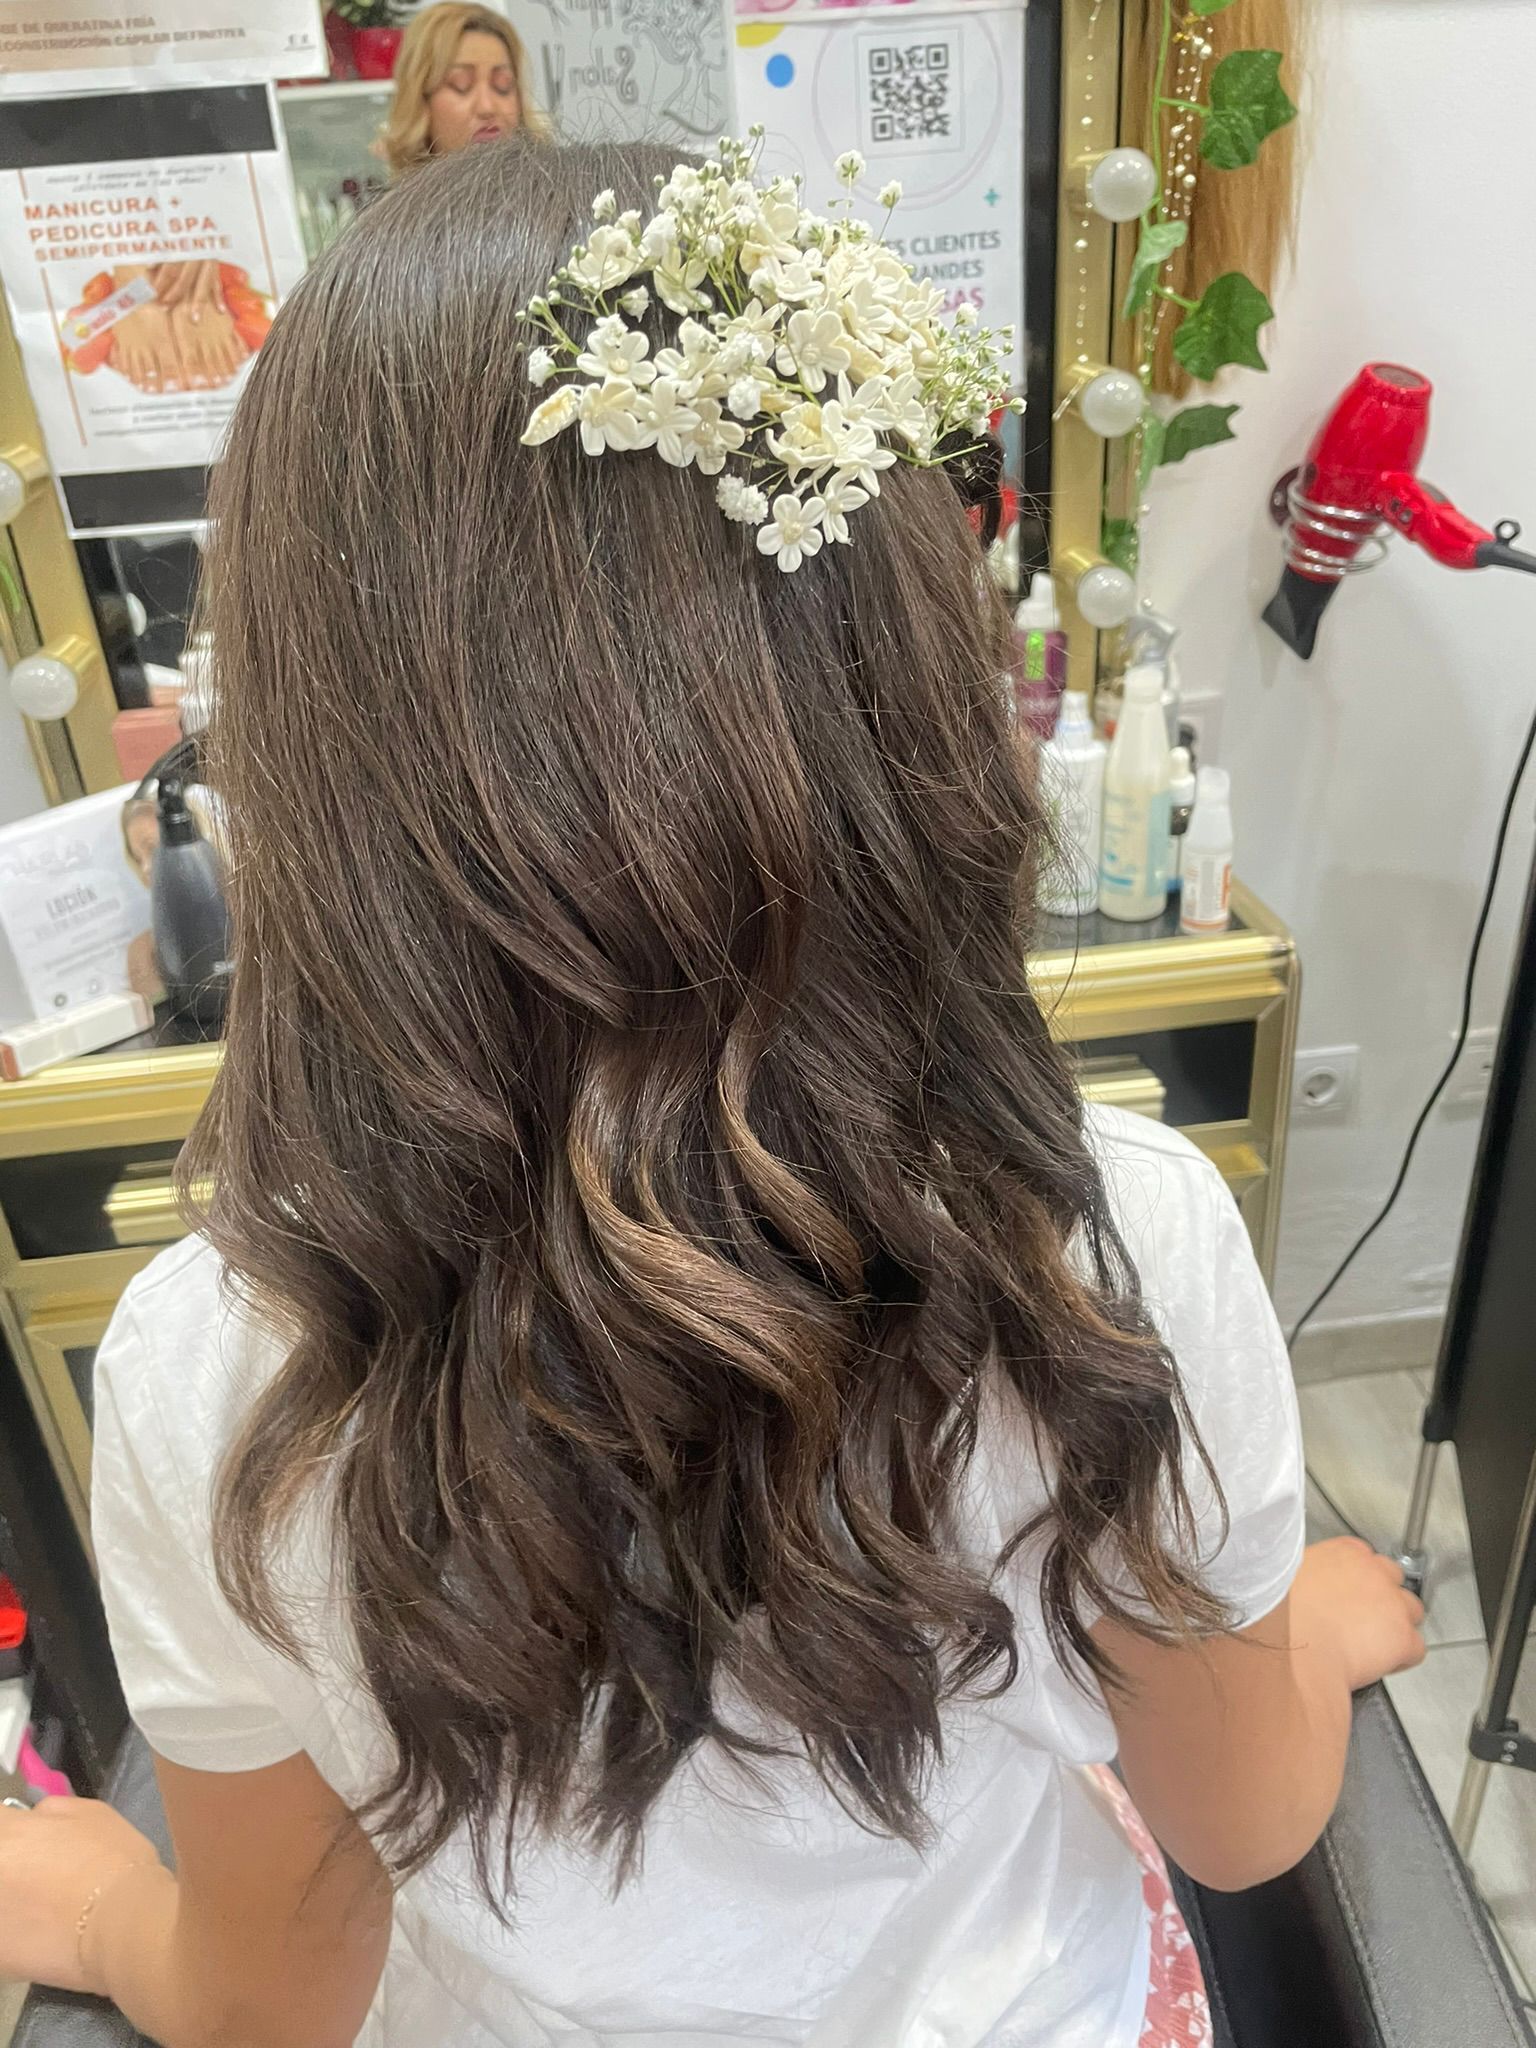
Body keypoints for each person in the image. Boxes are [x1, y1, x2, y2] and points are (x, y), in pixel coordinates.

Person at [0, 138, 1424, 2048]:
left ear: (318, 736)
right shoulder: (1096, 1245)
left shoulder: (217, 1360)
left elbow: (271, 2003)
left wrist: (100, 1904)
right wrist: (1302, 1631)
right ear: (900, 674)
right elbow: (1243, 1820)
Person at [379, 3, 550, 176]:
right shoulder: (404, 202)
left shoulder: (556, 195)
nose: (487, 107)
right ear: (421, 100)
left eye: (502, 86)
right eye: (461, 85)